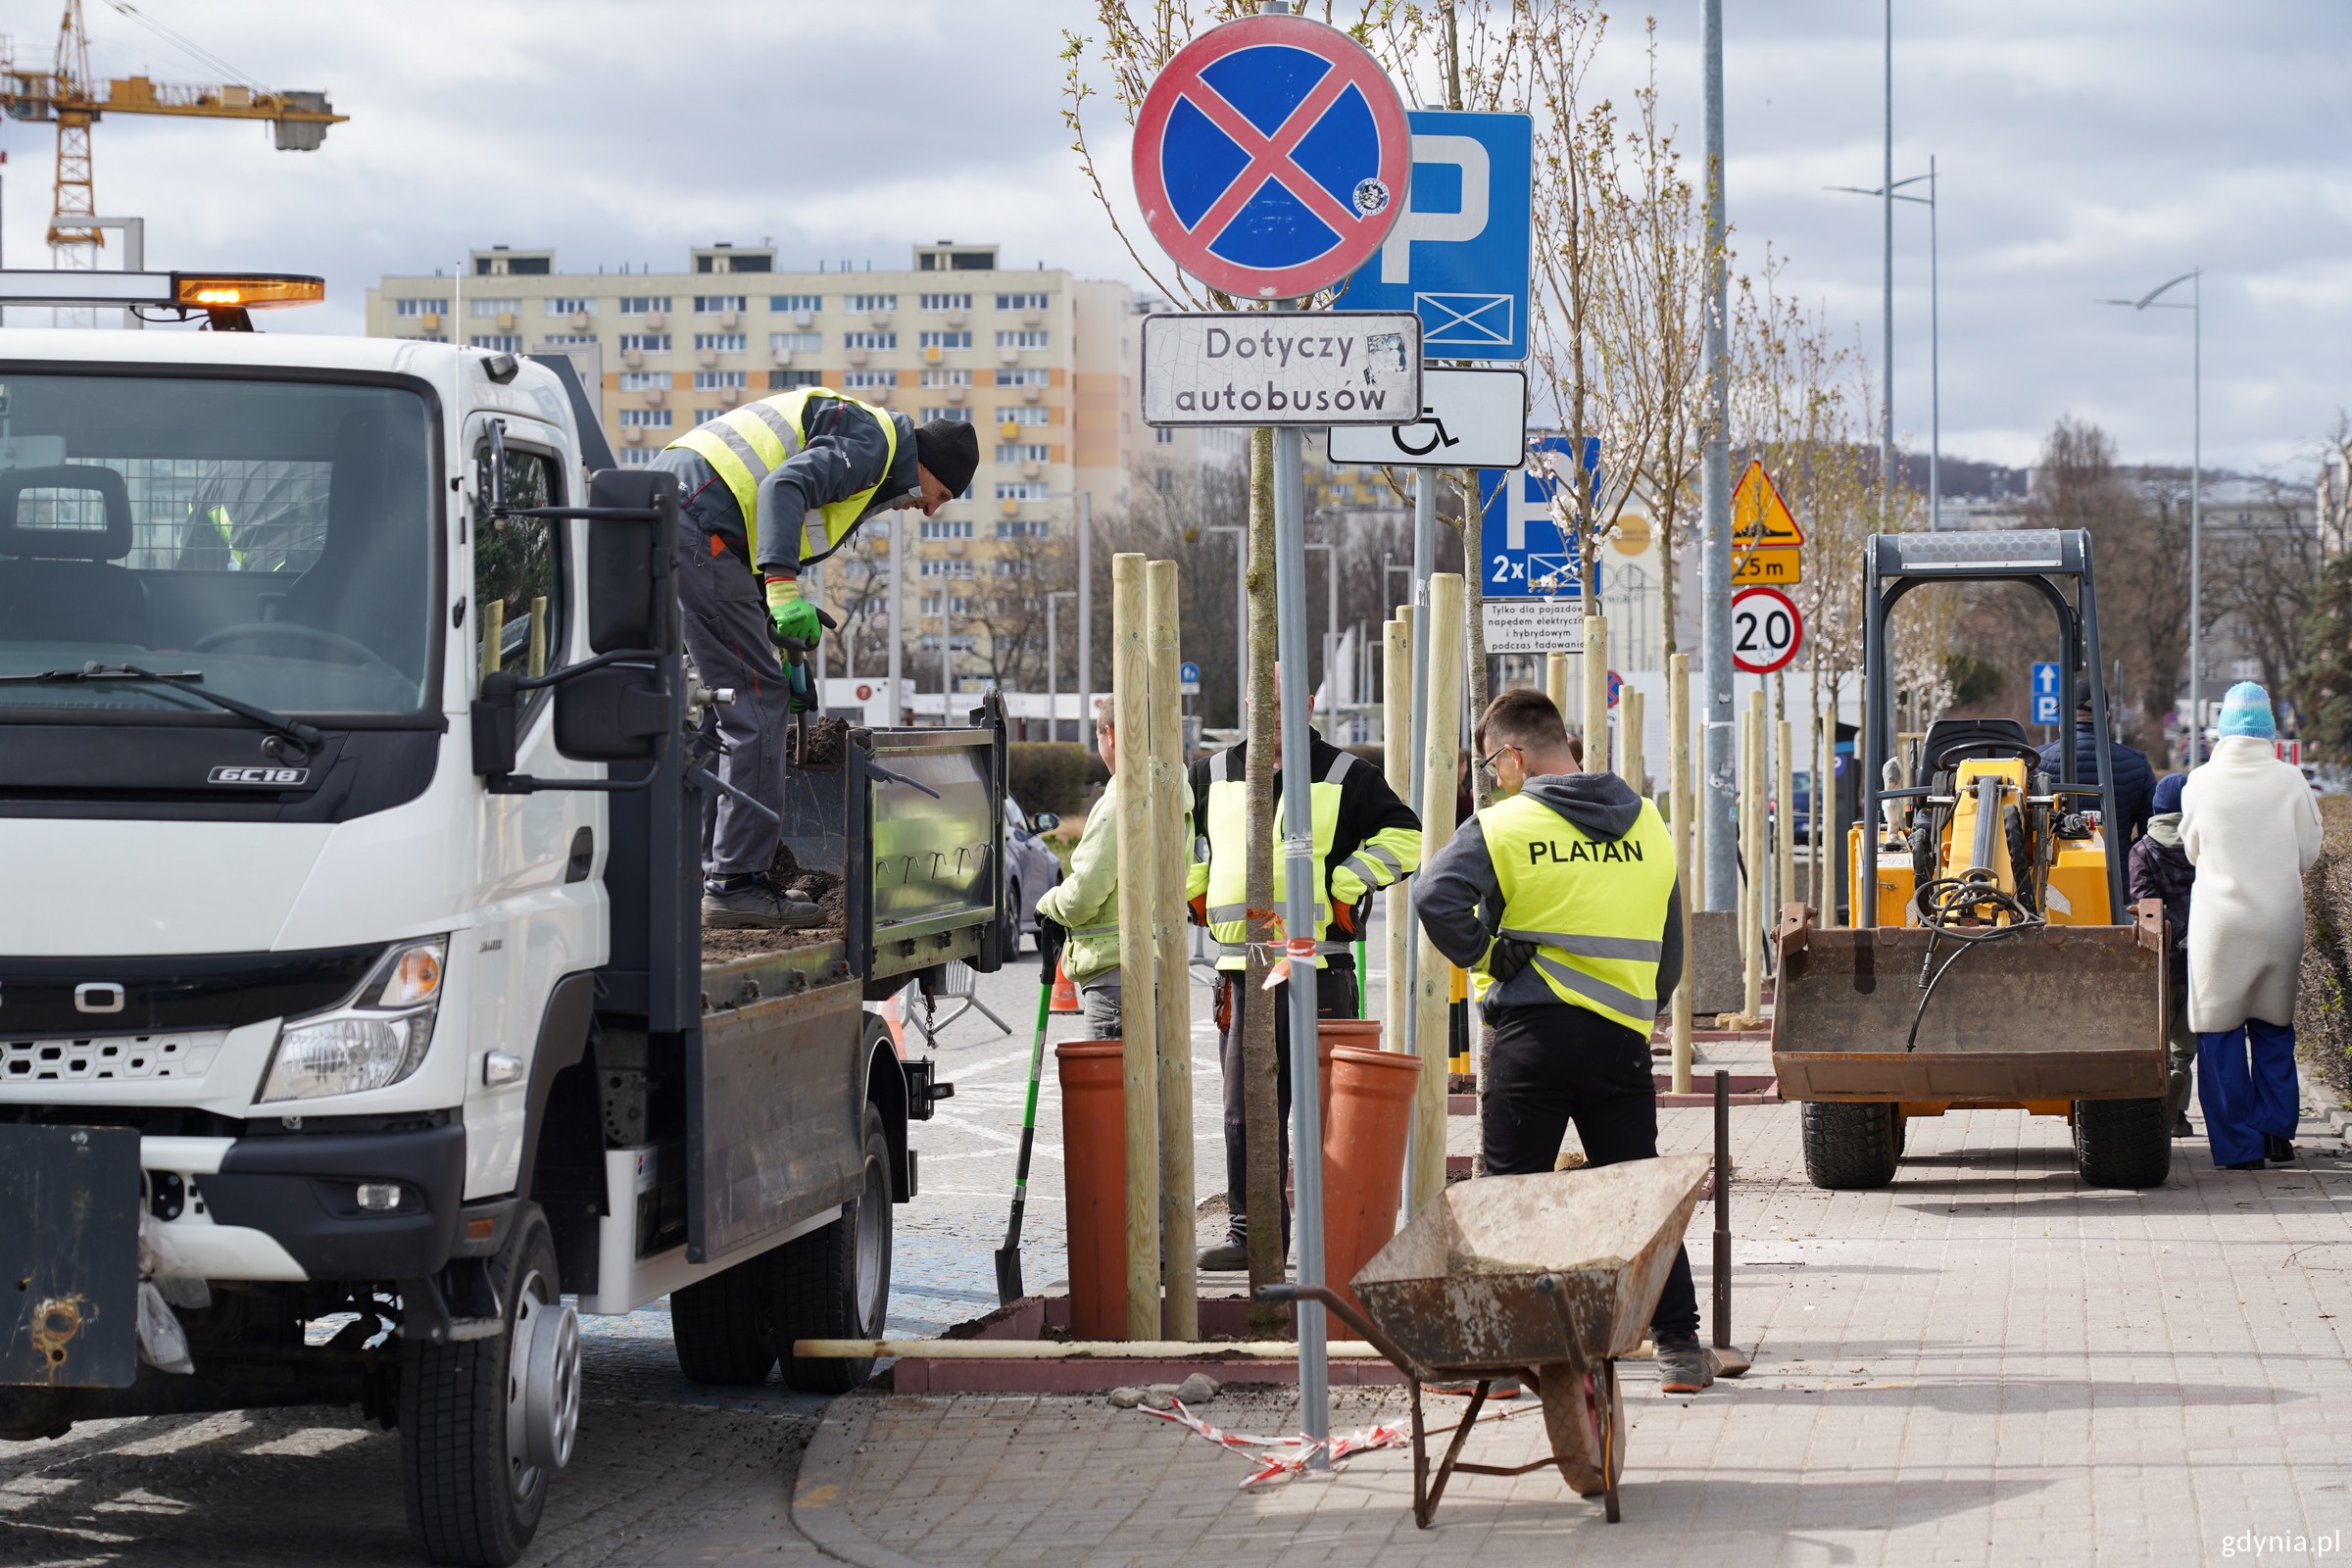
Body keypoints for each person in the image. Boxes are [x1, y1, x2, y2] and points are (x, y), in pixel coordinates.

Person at [1413, 688, 1711, 1395]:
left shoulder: (1505, 824)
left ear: (1513, 754)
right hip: (1620, 1041)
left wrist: (1489, 955)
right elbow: (1671, 943)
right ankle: (1679, 1349)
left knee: (1508, 1197)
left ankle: (1498, 1361)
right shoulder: (1647, 821)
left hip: (1533, 1039)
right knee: (1639, 1192)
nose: (1494, 779)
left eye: (1492, 765)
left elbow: (1433, 896)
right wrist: (1640, 1008)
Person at [653, 392, 978, 928]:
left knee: (719, 702)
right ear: (926, 466)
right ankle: (736, 882)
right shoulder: (875, 446)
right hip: (699, 519)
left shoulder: (863, 440)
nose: (930, 509)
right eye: (940, 493)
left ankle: (700, 872)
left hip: (684, 513)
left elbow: (754, 539)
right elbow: (782, 487)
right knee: (755, 702)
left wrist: (781, 646)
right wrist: (783, 594)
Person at [1187, 680, 1421, 1271]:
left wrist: (1349, 880)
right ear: (1246, 704)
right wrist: (1194, 888)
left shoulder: (1345, 774)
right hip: (1244, 967)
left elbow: (1407, 837)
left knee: (1328, 1114)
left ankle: (1333, 1240)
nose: (1272, 711)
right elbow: (1179, 840)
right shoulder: (1209, 774)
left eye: (1285, 700)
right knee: (1246, 1112)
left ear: (1309, 706)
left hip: (1320, 967)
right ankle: (1253, 1237)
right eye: (1261, 700)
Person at [2180, 683, 2324, 1170]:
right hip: (2279, 920)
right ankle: (2276, 1133)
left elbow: (2191, 848)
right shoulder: (2291, 779)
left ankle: (2240, 1148)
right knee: (2274, 1027)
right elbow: (2308, 852)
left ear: (2222, 731)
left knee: (2218, 1034)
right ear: (2268, 731)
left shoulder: (2200, 781)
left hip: (2220, 926)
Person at [1035, 699, 1189, 1038]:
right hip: (1163, 967)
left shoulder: (1122, 800)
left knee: (1112, 1073)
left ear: (1113, 735)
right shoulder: (1175, 794)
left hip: (1116, 972)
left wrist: (1048, 905)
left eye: (1098, 736)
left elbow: (1083, 896)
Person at [2128, 772, 2199, 1137]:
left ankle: (2160, 1105)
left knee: (2158, 1037)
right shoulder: (2202, 846)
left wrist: (2175, 932)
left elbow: (2145, 904)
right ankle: (2180, 1114)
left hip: (2160, 960)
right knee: (2185, 1043)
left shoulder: (2141, 850)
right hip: (2199, 961)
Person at [2036, 691, 2155, 847]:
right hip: (2116, 861)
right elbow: (2152, 831)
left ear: (2064, 716)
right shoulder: (2137, 763)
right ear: (2106, 716)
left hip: (2055, 861)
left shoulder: (2038, 760)